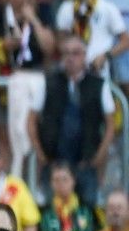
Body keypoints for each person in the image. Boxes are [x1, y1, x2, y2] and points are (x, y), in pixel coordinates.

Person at [31, 34, 121, 207]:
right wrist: (40, 153)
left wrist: (100, 155)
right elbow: (31, 120)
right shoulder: (48, 82)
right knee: (51, 209)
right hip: (54, 160)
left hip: (86, 161)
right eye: (66, 53)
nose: (70, 58)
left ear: (85, 55)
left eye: (76, 53)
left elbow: (110, 125)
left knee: (88, 205)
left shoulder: (99, 85)